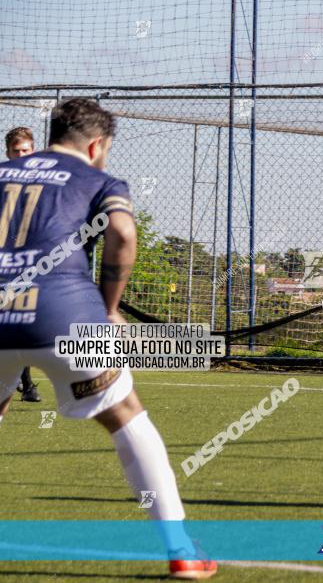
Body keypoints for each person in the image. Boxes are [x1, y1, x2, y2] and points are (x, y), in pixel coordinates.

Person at [0, 99, 217, 578]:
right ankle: (181, 550)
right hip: (65, 317)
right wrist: (111, 310)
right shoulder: (99, 181)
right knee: (124, 414)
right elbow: (121, 230)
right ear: (97, 145)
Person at [4, 127, 42, 403]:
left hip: (29, 261)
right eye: (16, 151)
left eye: (25, 150)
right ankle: (24, 382)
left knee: (21, 321)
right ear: (7, 153)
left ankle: (24, 381)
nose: (20, 155)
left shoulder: (44, 183)